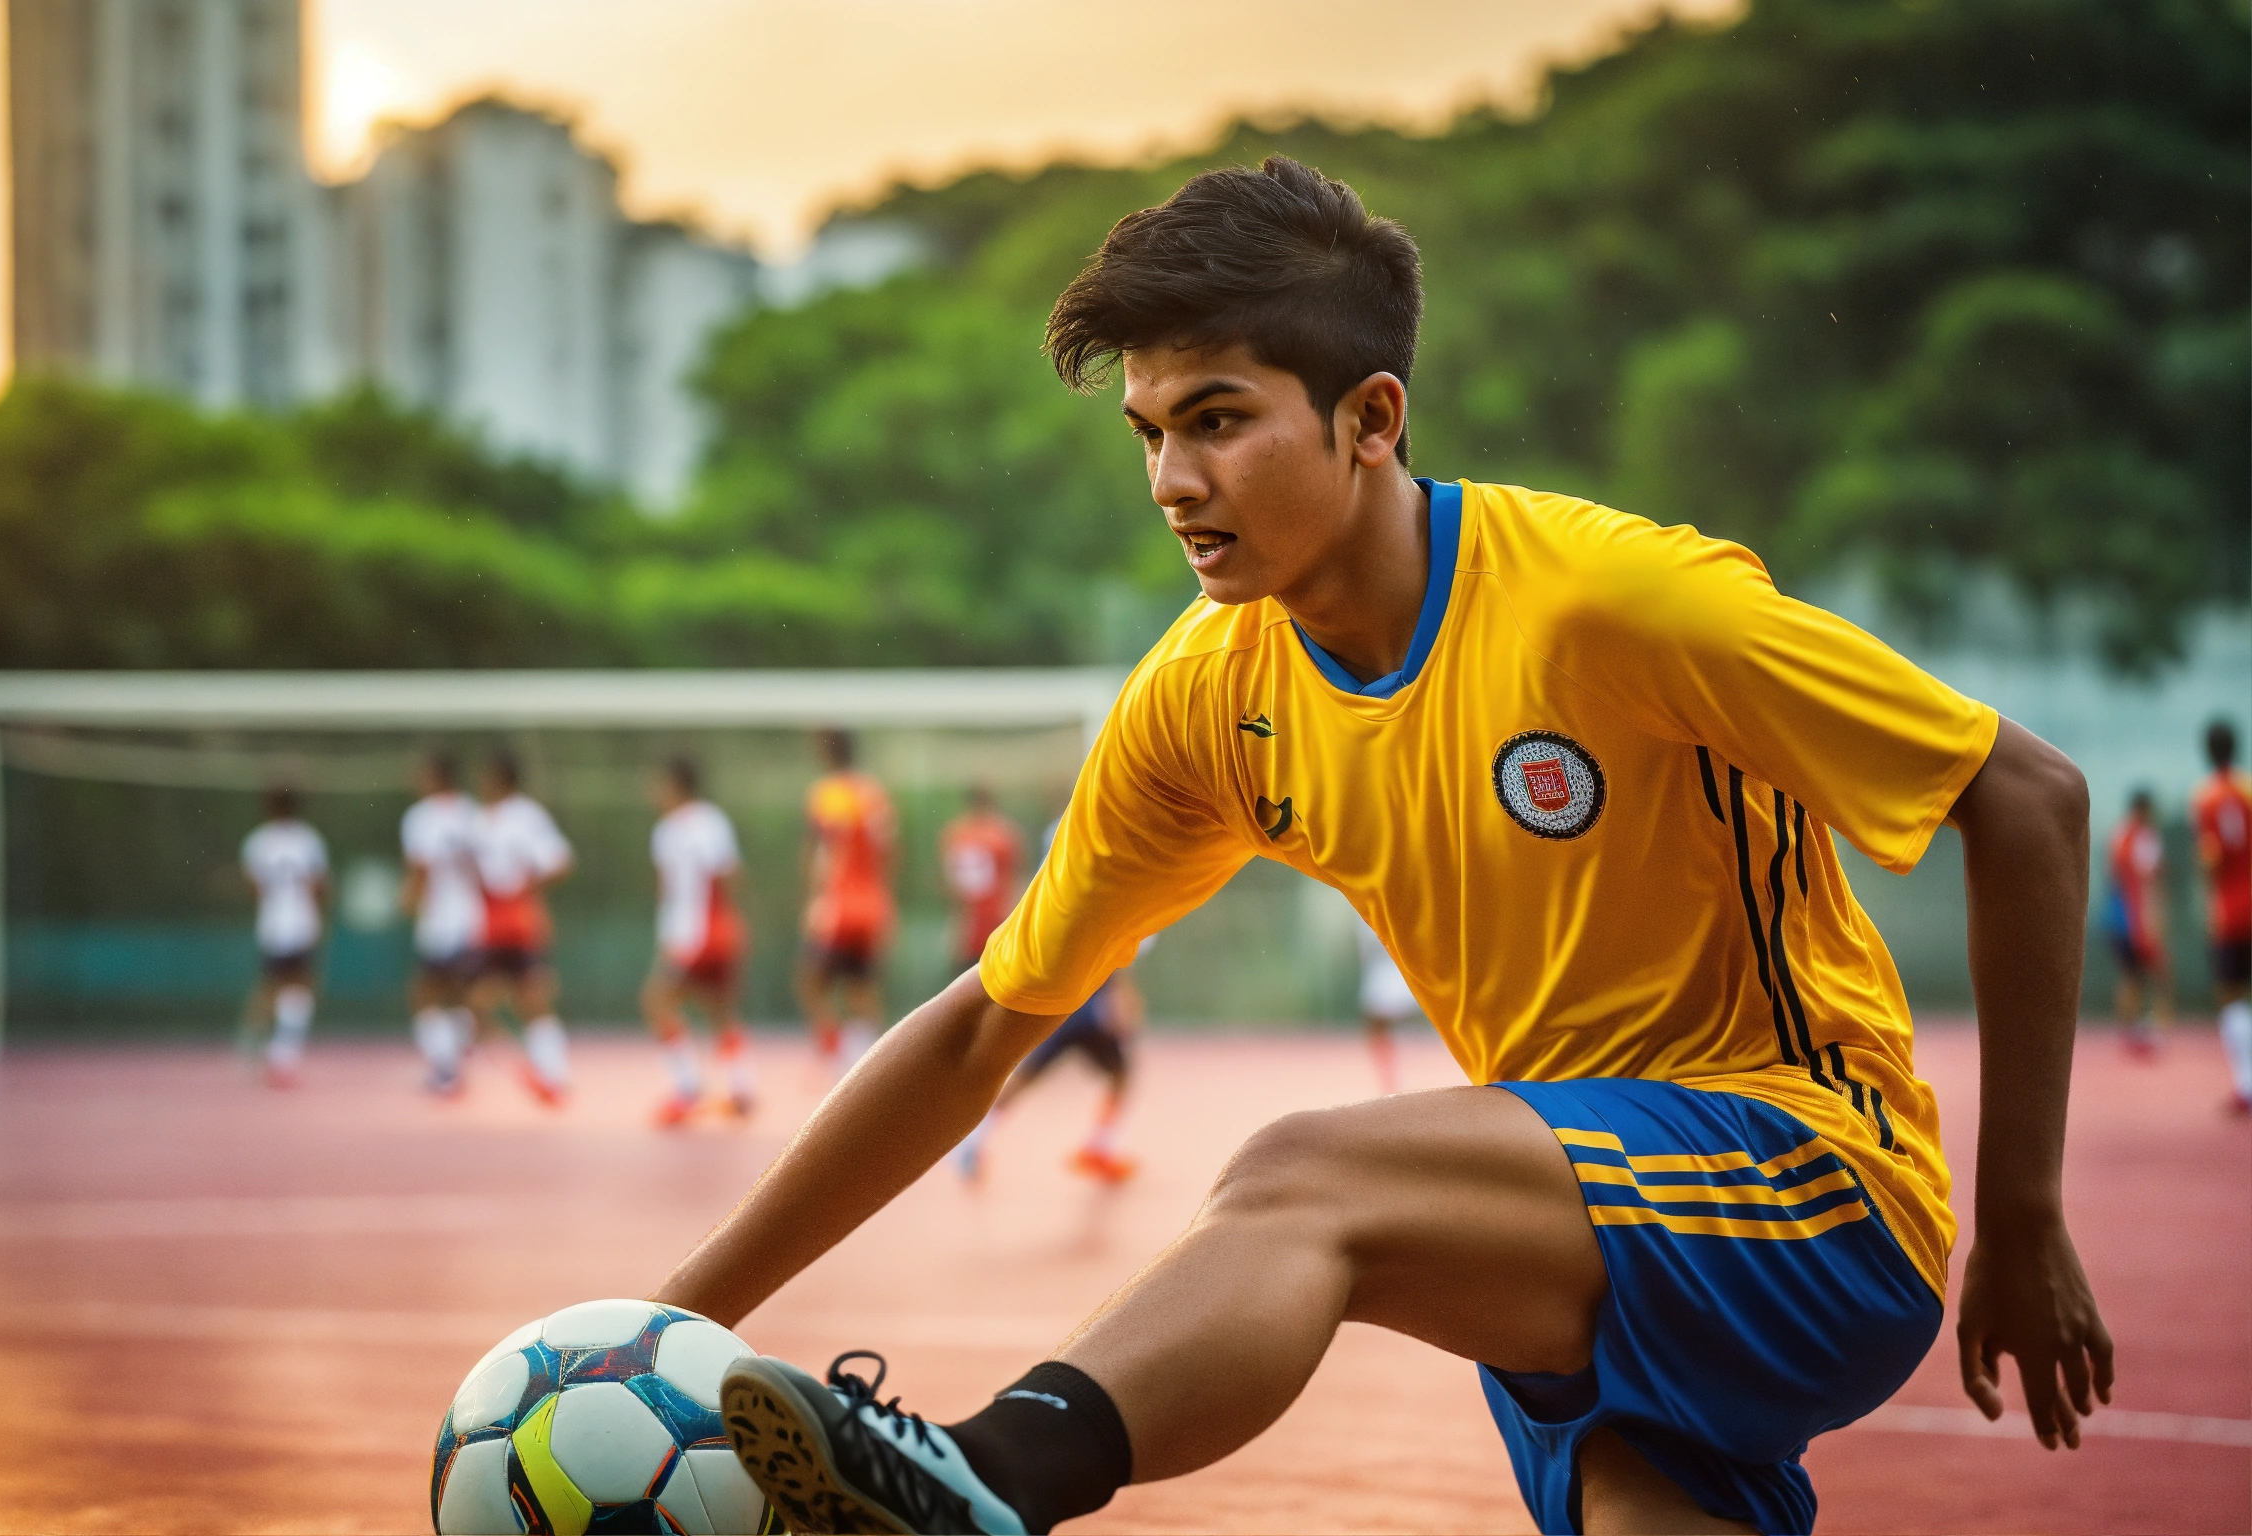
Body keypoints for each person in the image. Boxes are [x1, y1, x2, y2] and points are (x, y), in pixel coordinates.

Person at [652, 160, 2110, 1536]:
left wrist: (2022, 1220)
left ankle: (981, 1479)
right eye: (1150, 432)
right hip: (1568, 1237)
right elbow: (984, 1028)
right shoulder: (1209, 695)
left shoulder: (1617, 604)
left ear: (1371, 418)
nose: (1171, 480)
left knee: (1305, 1175)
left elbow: (2027, 797)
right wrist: (666, 1327)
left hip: (1808, 1192)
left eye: (1218, 420)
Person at [955, 935, 1152, 1187]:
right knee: (1117, 1075)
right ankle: (1098, 1146)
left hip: (1069, 1008)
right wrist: (1122, 1007)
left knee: (1032, 1077)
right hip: (1088, 1013)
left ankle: (975, 1139)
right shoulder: (1131, 923)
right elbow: (1118, 968)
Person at [644, 756, 758, 1127]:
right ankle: (741, 1087)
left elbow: (668, 892)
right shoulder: (713, 820)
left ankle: (687, 1087)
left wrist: (669, 938)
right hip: (722, 931)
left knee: (656, 1002)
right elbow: (730, 873)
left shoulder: (668, 830)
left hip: (693, 935)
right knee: (718, 1008)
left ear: (674, 785)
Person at [472, 749, 576, 1105]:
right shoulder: (481, 820)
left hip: (517, 922)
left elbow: (560, 862)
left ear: (500, 777)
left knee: (530, 1000)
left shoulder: (527, 816)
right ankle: (532, 1070)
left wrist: (525, 887)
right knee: (478, 1003)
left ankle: (551, 1075)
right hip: (488, 925)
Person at [797, 729, 898, 1066]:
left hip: (840, 904)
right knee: (861, 987)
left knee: (809, 980)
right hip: (872, 904)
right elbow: (890, 850)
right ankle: (883, 1061)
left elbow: (823, 850)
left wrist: (816, 899)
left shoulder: (827, 794)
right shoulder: (874, 793)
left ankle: (835, 1053)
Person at [400, 751, 484, 1097]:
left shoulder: (422, 817)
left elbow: (422, 866)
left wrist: (409, 900)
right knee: (459, 996)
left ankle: (446, 1068)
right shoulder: (473, 812)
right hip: (473, 919)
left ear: (435, 776)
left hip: (440, 921)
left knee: (424, 997)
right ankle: (456, 1052)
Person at [239, 784, 328, 1088]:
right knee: (300, 988)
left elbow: (254, 888)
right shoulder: (308, 840)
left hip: (274, 925)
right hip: (302, 923)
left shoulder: (258, 842)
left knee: (269, 988)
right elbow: (319, 886)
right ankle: (283, 1054)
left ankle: (257, 1045)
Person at [2194, 719, 2252, 1114]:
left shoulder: (2206, 798)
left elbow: (2212, 856)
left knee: (2230, 994)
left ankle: (2246, 1085)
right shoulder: (2249, 791)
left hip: (2231, 910)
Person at [2103, 789, 2173, 1060]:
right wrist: (2154, 918)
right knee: (2157, 974)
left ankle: (2132, 1032)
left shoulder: (2119, 834)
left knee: (2130, 977)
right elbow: (2152, 879)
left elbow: (2113, 874)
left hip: (2118, 917)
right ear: (2145, 810)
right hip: (2137, 917)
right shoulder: (2144, 837)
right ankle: (2156, 1030)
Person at [941, 784, 1027, 971]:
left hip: (968, 926)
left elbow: (950, 885)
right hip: (998, 921)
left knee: (965, 990)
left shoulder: (956, 834)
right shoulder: (1004, 835)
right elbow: (1016, 880)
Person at [1354, 907, 1418, 1094]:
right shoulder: (1364, 908)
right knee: (1377, 1024)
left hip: (1403, 968)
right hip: (1383, 968)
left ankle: (1393, 1074)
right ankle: (1388, 1076)